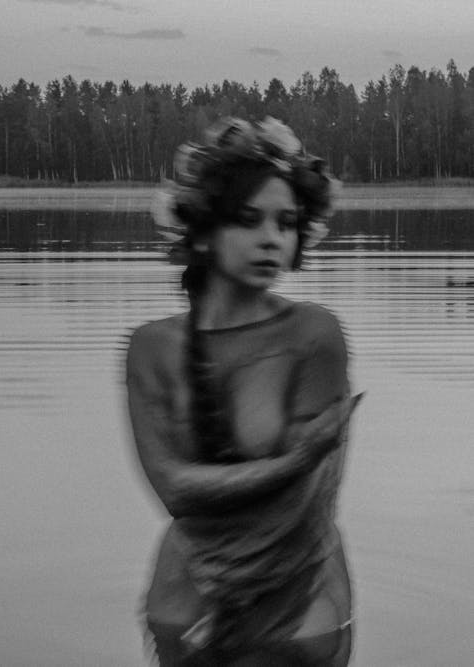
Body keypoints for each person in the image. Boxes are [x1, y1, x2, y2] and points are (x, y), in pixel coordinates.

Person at [126, 116, 362, 666]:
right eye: (249, 220)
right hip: (183, 597)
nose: (271, 239)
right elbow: (174, 490)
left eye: (285, 223)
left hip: (297, 600)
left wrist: (248, 624)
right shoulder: (150, 347)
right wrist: (294, 458)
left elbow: (311, 499)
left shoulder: (314, 335)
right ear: (204, 230)